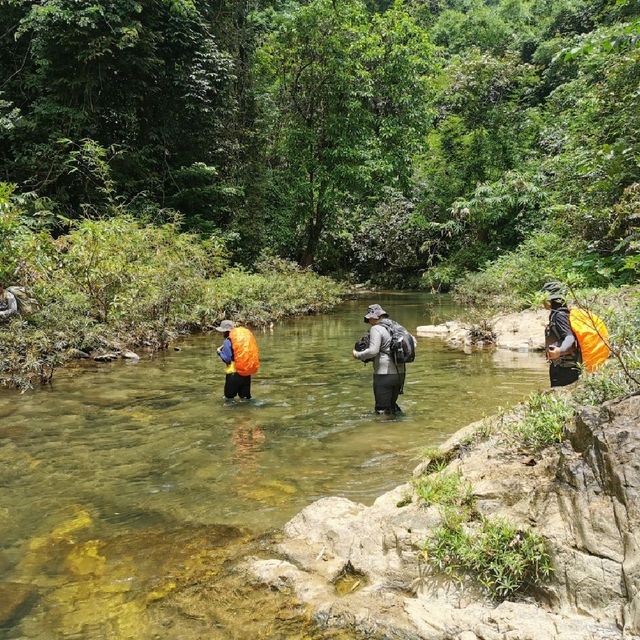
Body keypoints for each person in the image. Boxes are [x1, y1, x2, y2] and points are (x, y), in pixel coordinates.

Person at [352, 303, 405, 415]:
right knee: (391, 408)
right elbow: (413, 343)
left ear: (373, 317)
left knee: (381, 410)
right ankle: (399, 428)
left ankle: (382, 431)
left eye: (369, 319)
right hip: (400, 374)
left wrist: (357, 354)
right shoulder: (396, 327)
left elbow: (373, 351)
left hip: (384, 375)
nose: (369, 322)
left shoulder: (376, 328)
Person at [541, 281, 581, 387]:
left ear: (548, 299)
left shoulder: (559, 315)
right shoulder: (559, 313)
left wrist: (560, 350)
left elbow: (569, 337)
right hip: (564, 367)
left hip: (564, 370)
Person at [215, 319, 260, 400]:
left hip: (233, 374)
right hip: (246, 373)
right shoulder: (242, 339)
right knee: (245, 399)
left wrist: (219, 352)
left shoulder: (227, 341)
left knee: (228, 399)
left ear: (225, 331)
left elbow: (227, 359)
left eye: (222, 331)